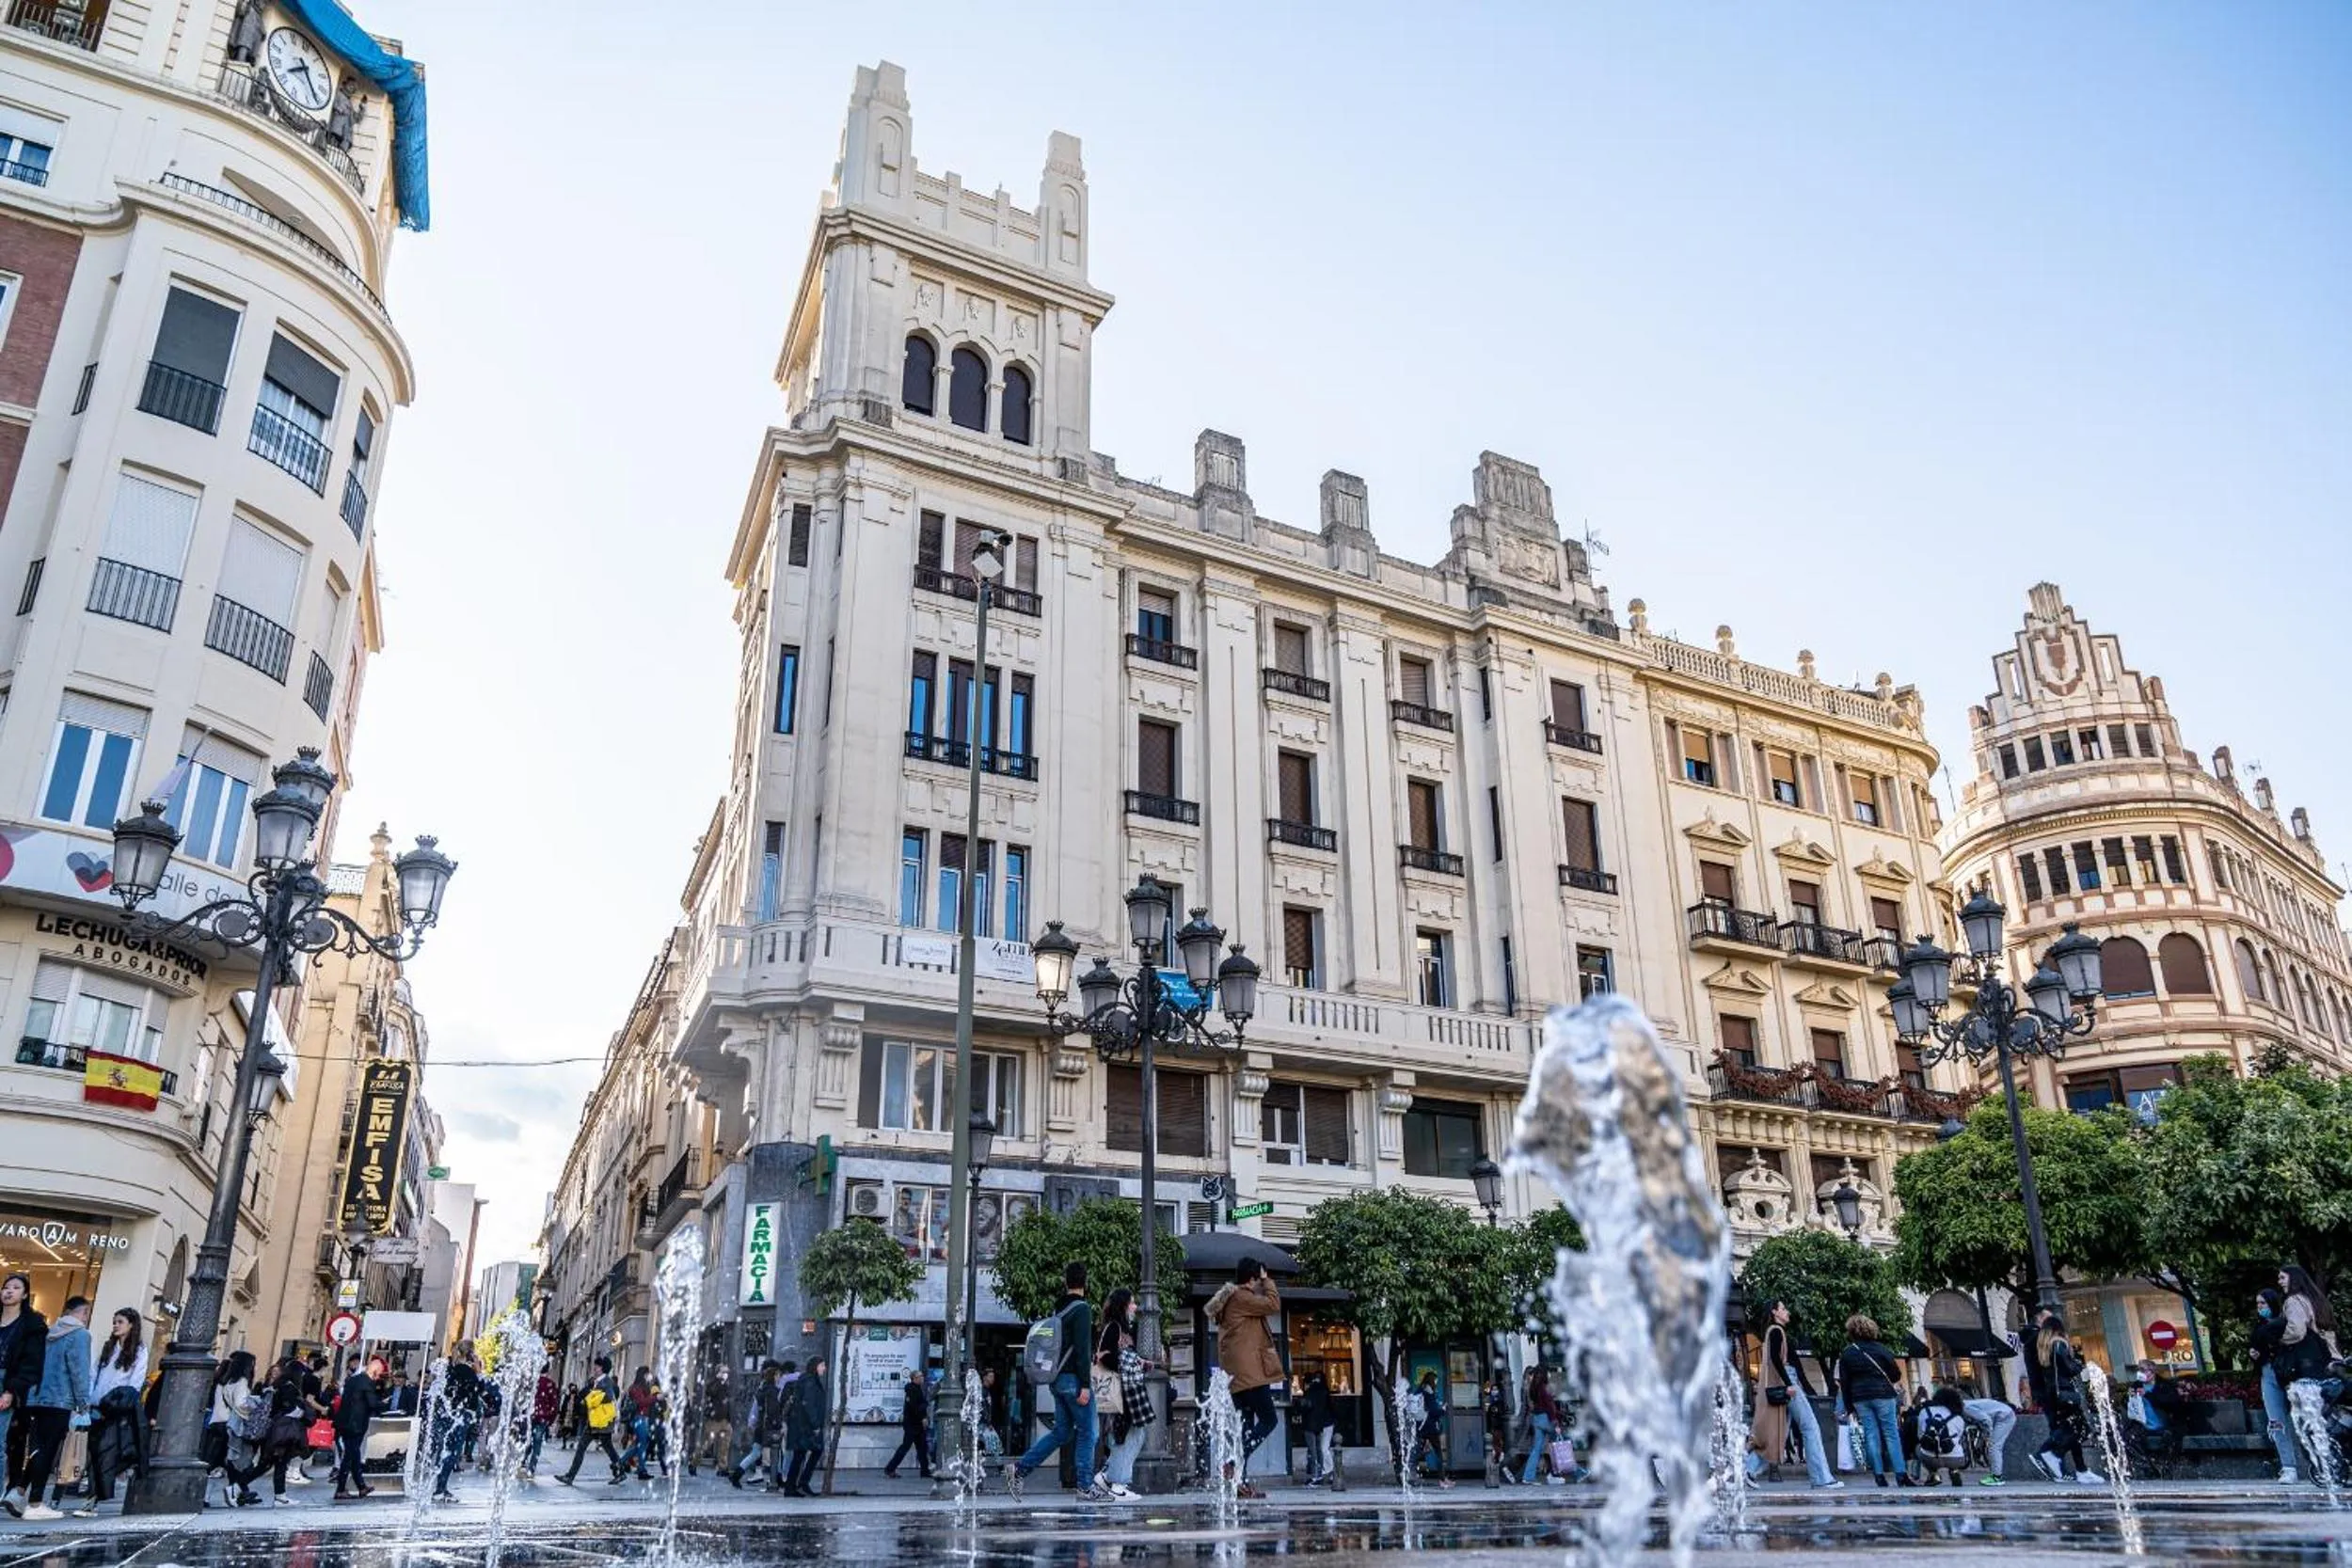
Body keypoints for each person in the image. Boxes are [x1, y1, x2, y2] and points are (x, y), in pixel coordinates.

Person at [1008, 1261, 1100, 1499]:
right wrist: (1086, 1385)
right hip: (1073, 1382)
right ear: (1085, 1282)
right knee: (1088, 1433)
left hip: (1057, 1380)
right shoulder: (1082, 1310)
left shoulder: (1059, 1310)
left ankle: (1019, 1469)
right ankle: (1085, 1486)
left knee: (1061, 1433)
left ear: (1065, 1282)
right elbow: (1082, 1349)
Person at [1205, 1259, 1282, 1499]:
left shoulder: (1234, 1299)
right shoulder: (1241, 1297)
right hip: (1250, 1375)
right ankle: (1231, 1462)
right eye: (1259, 1279)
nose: (1262, 1283)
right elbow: (1273, 1304)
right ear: (1252, 1278)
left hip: (1238, 1376)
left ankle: (1241, 1483)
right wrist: (1267, 1280)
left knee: (1246, 1428)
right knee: (1269, 1420)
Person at [12, 1295, 90, 1518]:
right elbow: (79, 1370)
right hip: (60, 1400)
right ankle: (36, 1503)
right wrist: (83, 1401)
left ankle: (17, 1493)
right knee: (48, 1449)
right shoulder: (80, 1335)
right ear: (83, 1312)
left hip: (37, 1398)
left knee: (37, 1447)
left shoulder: (50, 1333)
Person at [1754, 1302, 1836, 1489]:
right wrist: (1789, 1384)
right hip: (1788, 1381)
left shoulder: (1775, 1331)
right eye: (1783, 1309)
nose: (1787, 1311)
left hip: (1789, 1381)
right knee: (1810, 1427)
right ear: (1775, 1312)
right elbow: (1776, 1360)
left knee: (1778, 1433)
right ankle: (1821, 1478)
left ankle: (1747, 1469)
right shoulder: (1776, 1331)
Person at [76, 1308, 146, 1514]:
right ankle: (92, 1495)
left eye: (120, 1322)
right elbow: (93, 1374)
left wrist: (121, 1401)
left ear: (132, 1325)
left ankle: (92, 1499)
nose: (115, 1325)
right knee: (94, 1452)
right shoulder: (109, 1347)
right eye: (114, 1322)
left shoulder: (139, 1351)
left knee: (106, 1453)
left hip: (118, 1409)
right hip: (97, 1406)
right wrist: (88, 1398)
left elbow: (135, 1382)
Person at [2028, 1312, 2103, 1485]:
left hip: (2054, 1394)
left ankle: (2081, 1469)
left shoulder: (2044, 1347)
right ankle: (2050, 1453)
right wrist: (2080, 1364)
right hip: (2065, 1393)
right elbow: (2069, 1368)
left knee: (2073, 1429)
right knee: (2080, 1428)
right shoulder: (2058, 1344)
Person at [1834, 1315, 1906, 1489]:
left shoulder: (1848, 1353)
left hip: (1860, 1398)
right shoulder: (1881, 1349)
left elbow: (1845, 1381)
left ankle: (1879, 1476)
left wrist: (1849, 1406)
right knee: (1891, 1434)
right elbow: (1895, 1374)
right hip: (1883, 1395)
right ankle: (1901, 1475)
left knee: (1871, 1435)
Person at [1093, 1288, 1147, 1498]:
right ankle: (1117, 1483)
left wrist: (1138, 1363)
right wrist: (1130, 1364)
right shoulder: (1114, 1328)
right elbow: (1105, 1357)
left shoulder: (1122, 1329)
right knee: (1129, 1433)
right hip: (1120, 1388)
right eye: (1132, 1303)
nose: (1135, 1307)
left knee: (1132, 1433)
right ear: (1123, 1306)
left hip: (1125, 1388)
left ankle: (1108, 1476)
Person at [0, 1274, 46, 1514]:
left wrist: (12, 1390)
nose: (8, 1291)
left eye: (15, 1288)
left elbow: (31, 1363)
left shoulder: (31, 1325)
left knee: (2, 1441)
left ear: (25, 1295)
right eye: (5, 1287)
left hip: (8, 1382)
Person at [2250, 1288, 2299, 1483]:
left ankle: (2318, 1462)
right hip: (2268, 1372)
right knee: (2276, 1421)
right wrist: (2255, 1355)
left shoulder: (2286, 1323)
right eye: (2258, 1304)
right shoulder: (2259, 1327)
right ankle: (2288, 1466)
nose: (2260, 1307)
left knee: (2303, 1418)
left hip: (2288, 1373)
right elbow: (2257, 1350)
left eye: (2263, 1303)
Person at [558, 1355, 626, 1485]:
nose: (594, 1368)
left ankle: (570, 1476)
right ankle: (570, 1476)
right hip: (595, 1421)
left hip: (602, 1422)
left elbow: (609, 1397)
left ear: (602, 1368)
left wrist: (592, 1399)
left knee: (594, 1447)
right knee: (598, 1447)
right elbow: (586, 1394)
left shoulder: (606, 1382)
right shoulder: (595, 1381)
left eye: (597, 1366)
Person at [430, 1342, 485, 1500]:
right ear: (470, 1355)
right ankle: (441, 1488)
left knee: (446, 1449)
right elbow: (480, 1390)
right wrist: (479, 1372)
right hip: (462, 1414)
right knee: (453, 1452)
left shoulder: (449, 1368)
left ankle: (440, 1487)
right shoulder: (467, 1371)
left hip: (449, 1413)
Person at [726, 1361, 784, 1487]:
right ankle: (777, 1478)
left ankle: (737, 1475)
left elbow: (757, 1409)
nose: (779, 1378)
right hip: (769, 1428)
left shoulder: (761, 1391)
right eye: (778, 1376)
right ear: (774, 1377)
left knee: (756, 1453)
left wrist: (753, 1422)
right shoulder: (773, 1392)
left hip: (760, 1426)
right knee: (775, 1452)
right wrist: (778, 1424)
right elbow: (773, 1411)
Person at [331, 1355, 380, 1499]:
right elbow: (372, 1403)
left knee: (352, 1455)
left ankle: (360, 1486)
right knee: (350, 1456)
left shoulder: (353, 1379)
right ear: (374, 1371)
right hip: (356, 1424)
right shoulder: (367, 1382)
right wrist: (383, 1404)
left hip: (345, 1422)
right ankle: (342, 1489)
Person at [781, 1354, 827, 1497]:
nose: (824, 1369)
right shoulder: (810, 1382)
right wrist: (815, 1425)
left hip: (800, 1425)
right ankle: (800, 1483)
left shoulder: (807, 1380)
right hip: (805, 1426)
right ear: (816, 1366)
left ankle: (793, 1486)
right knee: (813, 1451)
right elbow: (809, 1404)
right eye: (822, 1365)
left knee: (799, 1455)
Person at [1912, 1386, 1974, 1486]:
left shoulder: (1925, 1411)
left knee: (1918, 1448)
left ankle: (1933, 1474)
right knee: (1956, 1446)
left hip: (1930, 1457)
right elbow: (1959, 1438)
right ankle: (1954, 1471)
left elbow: (1920, 1436)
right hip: (1955, 1459)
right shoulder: (1957, 1416)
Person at [1960, 1391, 2018, 1486]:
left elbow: (1986, 1420)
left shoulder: (1966, 1408)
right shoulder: (1965, 1404)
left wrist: (1989, 1436)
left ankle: (1996, 1477)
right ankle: (1995, 1475)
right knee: (1994, 1446)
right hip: (2003, 1414)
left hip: (2004, 1417)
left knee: (1994, 1446)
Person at [882, 1369, 932, 1481]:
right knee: (905, 1447)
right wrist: (923, 1415)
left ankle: (925, 1471)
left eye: (922, 1376)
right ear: (914, 1378)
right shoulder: (912, 1390)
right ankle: (890, 1468)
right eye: (920, 1376)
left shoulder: (917, 1389)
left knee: (922, 1448)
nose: (922, 1378)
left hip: (916, 1424)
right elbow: (915, 1407)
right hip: (912, 1425)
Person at [1409, 1370, 1452, 1487]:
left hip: (1421, 1426)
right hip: (1430, 1427)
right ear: (1432, 1381)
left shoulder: (1420, 1390)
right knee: (1438, 1453)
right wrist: (1443, 1409)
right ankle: (1442, 1480)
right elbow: (1433, 1411)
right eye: (1436, 1380)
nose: (1436, 1382)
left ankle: (1410, 1471)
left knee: (1419, 1451)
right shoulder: (1428, 1391)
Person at [1299, 1371, 1337, 1486]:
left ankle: (1325, 1472)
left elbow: (1305, 1407)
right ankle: (1324, 1473)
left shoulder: (1311, 1392)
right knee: (1321, 1449)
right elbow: (1330, 1407)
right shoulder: (1323, 1392)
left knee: (1320, 1449)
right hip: (1323, 1423)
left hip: (1319, 1423)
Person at [526, 1369, 559, 1478]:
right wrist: (551, 1420)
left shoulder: (532, 1382)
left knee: (528, 1439)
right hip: (543, 1417)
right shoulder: (550, 1384)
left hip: (532, 1416)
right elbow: (554, 1403)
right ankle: (532, 1468)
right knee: (537, 1442)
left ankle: (521, 1462)